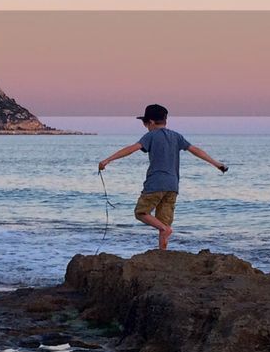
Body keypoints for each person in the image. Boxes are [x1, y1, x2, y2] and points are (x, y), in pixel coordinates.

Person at [97, 104, 227, 250]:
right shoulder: (177, 136)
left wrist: (108, 160)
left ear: (151, 122)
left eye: (145, 124)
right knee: (164, 224)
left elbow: (131, 149)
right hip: (173, 186)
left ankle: (165, 232)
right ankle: (162, 253)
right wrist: (217, 164)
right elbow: (195, 150)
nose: (146, 127)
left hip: (155, 183)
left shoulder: (151, 135)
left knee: (141, 213)